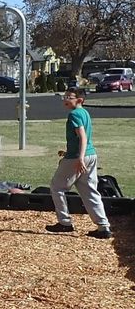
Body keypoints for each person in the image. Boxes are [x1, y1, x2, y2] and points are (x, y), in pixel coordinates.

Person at [46, 88, 112, 239]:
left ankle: (65, 223)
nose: (65, 99)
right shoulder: (85, 113)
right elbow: (83, 139)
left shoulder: (74, 114)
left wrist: (79, 158)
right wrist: (69, 153)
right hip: (91, 155)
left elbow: (82, 137)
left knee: (57, 187)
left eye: (69, 97)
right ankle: (103, 227)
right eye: (64, 96)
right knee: (89, 191)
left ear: (80, 100)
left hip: (78, 158)